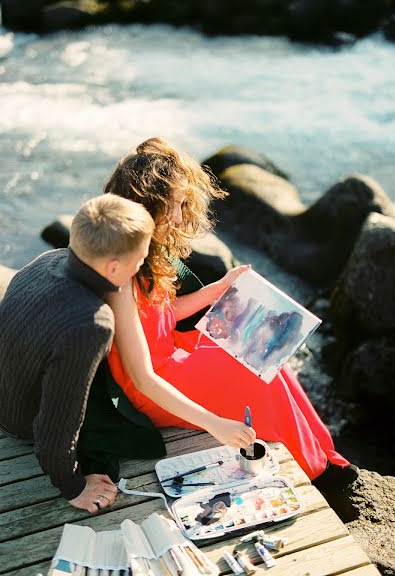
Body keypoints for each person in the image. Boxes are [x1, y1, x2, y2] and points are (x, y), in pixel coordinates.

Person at [104, 136, 359, 489]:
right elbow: (143, 378)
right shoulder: (122, 272)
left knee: (266, 353)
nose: (179, 217)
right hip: (153, 386)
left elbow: (160, 314)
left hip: (173, 354)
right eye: (171, 206)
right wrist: (214, 423)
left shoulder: (145, 250)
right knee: (253, 373)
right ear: (145, 205)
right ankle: (316, 470)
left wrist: (218, 288)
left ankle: (326, 454)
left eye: (181, 204)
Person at [0, 194, 155, 512]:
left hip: (7, 393)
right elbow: (57, 423)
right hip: (20, 422)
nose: (141, 265)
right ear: (113, 266)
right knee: (137, 429)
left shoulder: (47, 260)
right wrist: (72, 487)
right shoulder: (92, 323)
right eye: (140, 259)